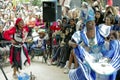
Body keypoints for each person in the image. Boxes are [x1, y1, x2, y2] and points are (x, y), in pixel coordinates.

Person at [68, 9, 120, 80]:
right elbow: (70, 42)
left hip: (103, 55)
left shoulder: (101, 29)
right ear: (86, 24)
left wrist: (115, 39)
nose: (92, 24)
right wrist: (73, 44)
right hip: (90, 57)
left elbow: (112, 31)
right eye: (89, 23)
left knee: (110, 69)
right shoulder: (81, 34)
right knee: (87, 70)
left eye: (93, 22)